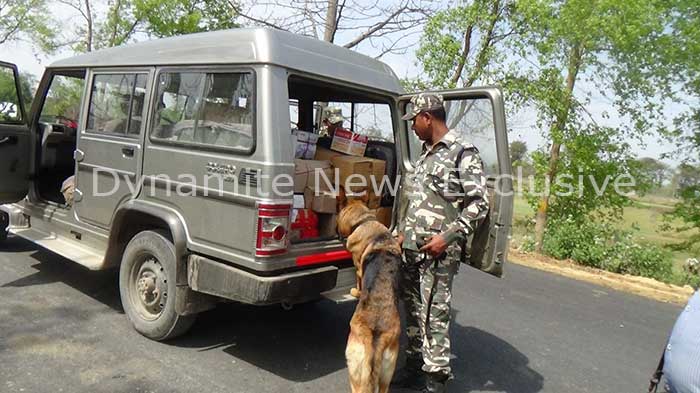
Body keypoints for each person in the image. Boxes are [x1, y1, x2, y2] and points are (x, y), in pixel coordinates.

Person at [391, 93, 490, 393]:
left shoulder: (463, 152)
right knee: (413, 308)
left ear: (427, 117)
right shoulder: (425, 153)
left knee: (435, 312)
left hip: (439, 252)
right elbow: (416, 197)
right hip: (411, 249)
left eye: (414, 122)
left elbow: (479, 204)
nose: (412, 128)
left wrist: (446, 238)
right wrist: (401, 232)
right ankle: (414, 367)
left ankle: (435, 381)